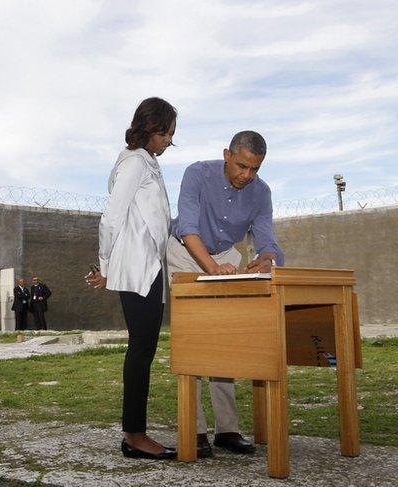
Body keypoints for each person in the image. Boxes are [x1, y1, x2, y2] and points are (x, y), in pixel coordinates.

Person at [167, 130, 285, 458]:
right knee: (192, 340)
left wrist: (267, 258)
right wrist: (210, 269)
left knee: (224, 339)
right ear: (226, 155)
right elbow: (188, 228)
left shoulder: (261, 193)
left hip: (225, 258)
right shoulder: (196, 174)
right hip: (185, 252)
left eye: (254, 169)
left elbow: (267, 239)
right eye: (241, 166)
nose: (246, 176)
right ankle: (195, 431)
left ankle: (227, 430)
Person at [86, 97, 177, 460]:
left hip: (151, 267)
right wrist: (105, 265)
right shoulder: (135, 163)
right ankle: (134, 435)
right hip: (138, 268)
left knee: (145, 348)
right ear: (150, 128)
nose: (169, 140)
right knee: (141, 349)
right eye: (166, 132)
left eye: (172, 134)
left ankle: (135, 432)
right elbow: (111, 218)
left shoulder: (149, 163)